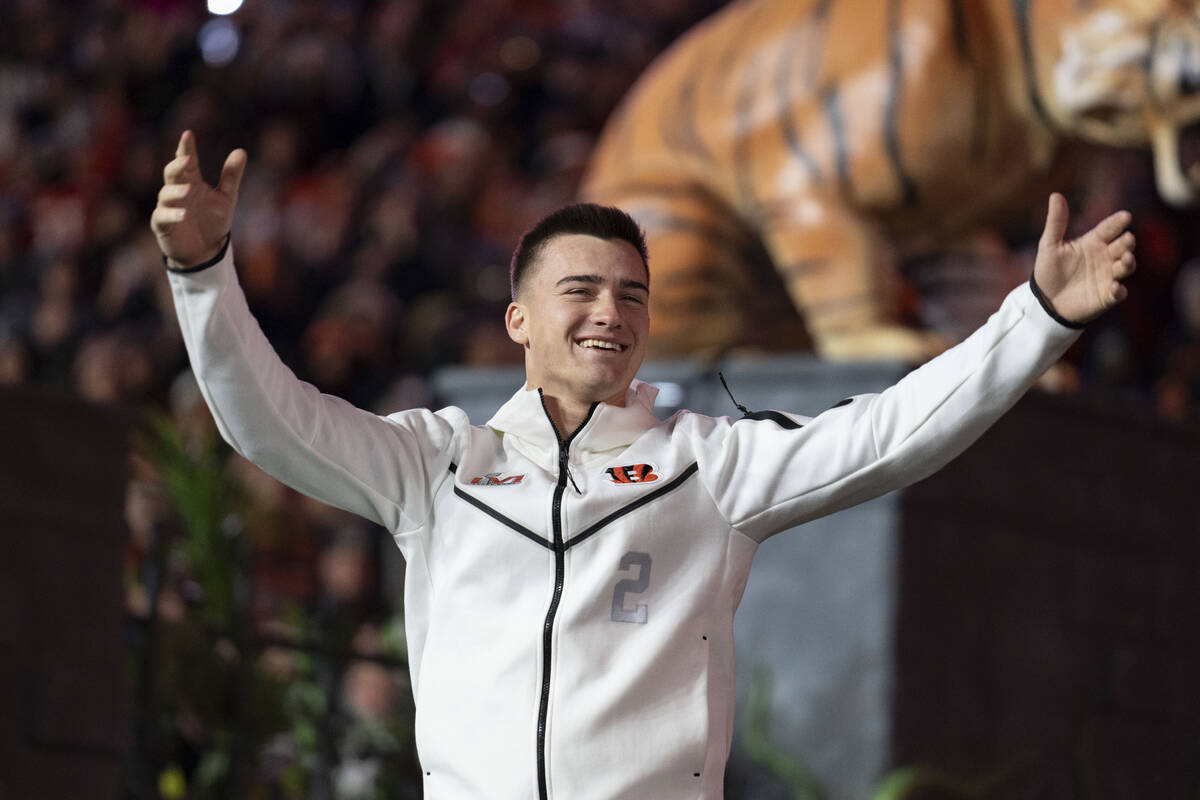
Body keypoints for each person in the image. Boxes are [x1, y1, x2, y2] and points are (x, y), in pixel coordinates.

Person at [152, 130, 1137, 800]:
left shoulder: (709, 465)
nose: (611, 312)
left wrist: (1034, 319)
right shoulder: (437, 461)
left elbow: (887, 434)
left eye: (632, 294)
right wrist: (202, 275)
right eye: (580, 289)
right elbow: (268, 421)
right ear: (520, 322)